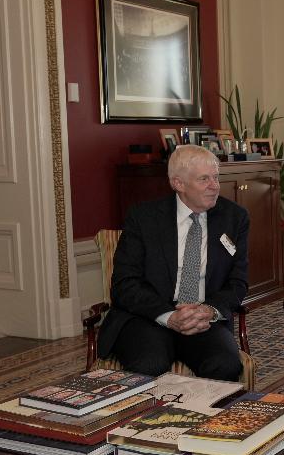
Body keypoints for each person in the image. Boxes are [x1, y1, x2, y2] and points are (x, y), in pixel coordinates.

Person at [97, 144, 249, 381]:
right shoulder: (143, 218)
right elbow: (124, 284)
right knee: (149, 362)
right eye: (204, 179)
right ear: (178, 184)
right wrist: (169, 316)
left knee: (225, 364)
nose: (215, 186)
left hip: (203, 318)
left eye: (216, 177)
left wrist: (208, 310)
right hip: (149, 317)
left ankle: (207, 418)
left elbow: (237, 282)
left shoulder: (234, 217)